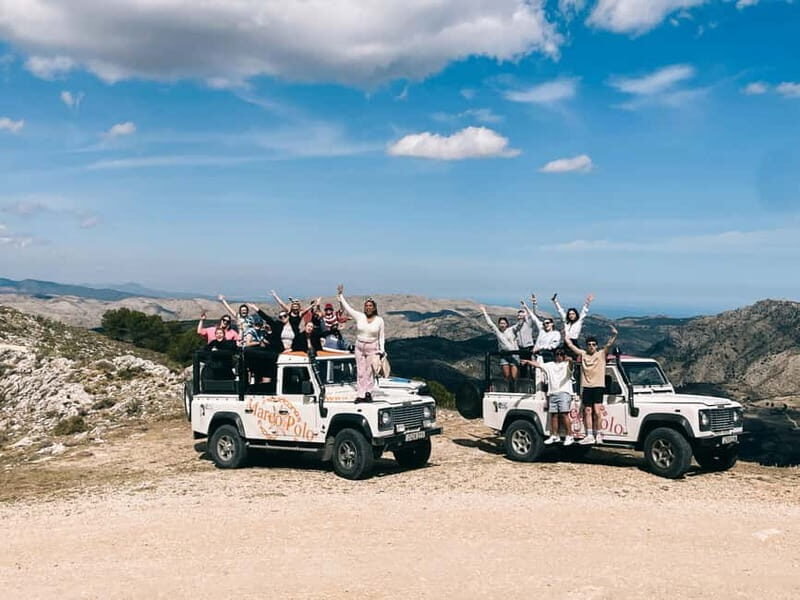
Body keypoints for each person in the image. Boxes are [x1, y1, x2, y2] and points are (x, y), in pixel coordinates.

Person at [564, 325, 618, 445]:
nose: (591, 346)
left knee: (597, 412)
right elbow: (572, 347)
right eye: (589, 344)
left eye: (594, 344)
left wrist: (614, 335)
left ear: (596, 346)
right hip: (586, 387)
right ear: (586, 346)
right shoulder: (583, 354)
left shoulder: (601, 354)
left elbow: (609, 345)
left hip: (598, 386)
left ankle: (598, 434)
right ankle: (589, 435)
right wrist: (566, 337)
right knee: (587, 411)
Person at [337, 284, 385, 402]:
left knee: (369, 371)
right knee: (360, 371)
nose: (368, 308)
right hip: (359, 346)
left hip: (372, 347)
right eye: (366, 306)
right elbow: (348, 308)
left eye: (370, 306)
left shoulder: (379, 320)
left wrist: (382, 350)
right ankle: (360, 394)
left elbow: (381, 336)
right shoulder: (360, 316)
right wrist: (341, 295)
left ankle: (368, 392)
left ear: (374, 308)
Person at [521, 348, 575, 446]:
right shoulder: (550, 365)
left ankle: (569, 436)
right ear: (554, 355)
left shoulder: (566, 364)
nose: (559, 356)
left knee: (564, 414)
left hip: (564, 393)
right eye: (557, 354)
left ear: (564, 356)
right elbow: (538, 365)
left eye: (561, 354)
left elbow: (571, 367)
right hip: (552, 393)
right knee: (554, 415)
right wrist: (528, 361)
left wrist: (570, 360)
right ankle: (554, 435)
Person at [480, 305, 519, 385]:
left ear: (507, 324)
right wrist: (484, 311)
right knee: (506, 377)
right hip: (504, 355)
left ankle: (516, 389)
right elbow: (490, 324)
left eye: (504, 323)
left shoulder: (511, 330)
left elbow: (519, 325)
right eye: (500, 323)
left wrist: (522, 316)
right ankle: (507, 390)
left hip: (514, 355)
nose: (502, 325)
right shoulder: (498, 332)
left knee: (514, 377)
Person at [522, 294, 561, 362]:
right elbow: (534, 317)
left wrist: (541, 348)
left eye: (548, 323)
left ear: (552, 324)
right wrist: (526, 306)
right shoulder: (542, 330)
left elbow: (554, 345)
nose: (546, 324)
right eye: (544, 323)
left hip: (548, 356)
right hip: (537, 356)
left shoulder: (556, 333)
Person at [512, 303, 535, 375]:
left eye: (522, 316)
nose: (520, 317)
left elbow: (533, 315)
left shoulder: (528, 324)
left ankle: (533, 379)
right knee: (522, 367)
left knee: (532, 367)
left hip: (529, 348)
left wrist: (534, 304)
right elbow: (513, 331)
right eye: (519, 316)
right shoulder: (516, 326)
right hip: (521, 349)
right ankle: (524, 379)